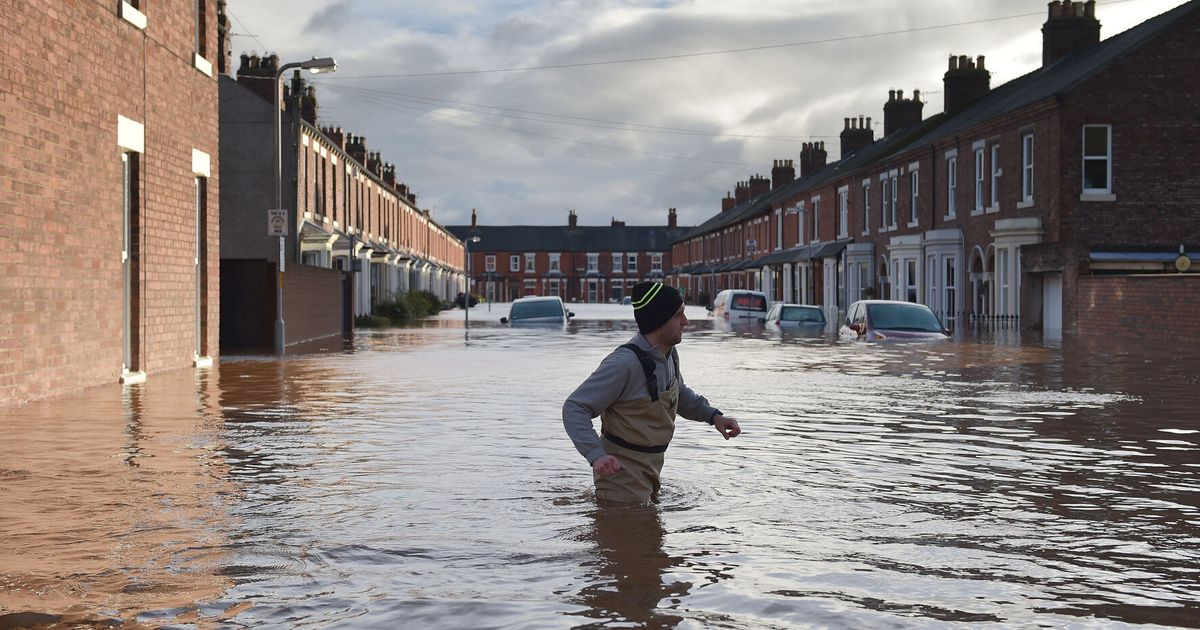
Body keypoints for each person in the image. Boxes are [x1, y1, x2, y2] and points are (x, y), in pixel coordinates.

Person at [562, 281, 741, 503]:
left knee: (650, 534)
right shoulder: (622, 364)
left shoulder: (670, 354)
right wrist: (596, 455)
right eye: (679, 315)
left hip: (653, 466)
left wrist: (714, 417)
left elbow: (679, 394)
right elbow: (575, 407)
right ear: (659, 320)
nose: (685, 322)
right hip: (620, 474)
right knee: (623, 534)